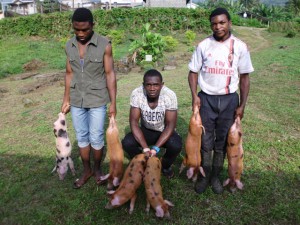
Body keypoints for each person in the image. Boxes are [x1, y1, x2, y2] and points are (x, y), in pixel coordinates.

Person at [188, 8, 254, 194]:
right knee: (205, 140)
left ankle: (216, 176)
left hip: (229, 100)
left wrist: (242, 105)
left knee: (223, 141)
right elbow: (193, 73)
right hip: (206, 99)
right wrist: (195, 96)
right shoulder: (203, 45)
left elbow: (245, 77)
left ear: (229, 23)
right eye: (214, 23)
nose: (218, 27)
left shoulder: (240, 46)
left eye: (222, 22)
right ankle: (204, 176)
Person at [61, 8, 117, 189]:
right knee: (82, 137)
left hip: (97, 99)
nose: (81, 33)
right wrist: (66, 98)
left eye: (85, 29)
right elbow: (69, 73)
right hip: (77, 99)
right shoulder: (69, 45)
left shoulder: (104, 44)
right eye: (76, 29)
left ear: (93, 25)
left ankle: (97, 169)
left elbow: (110, 74)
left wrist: (113, 102)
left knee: (97, 136)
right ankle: (87, 170)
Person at [122, 69, 182, 179]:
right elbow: (134, 122)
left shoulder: (170, 95)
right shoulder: (137, 94)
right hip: (146, 130)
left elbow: (170, 125)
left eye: (156, 85)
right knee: (127, 142)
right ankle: (142, 162)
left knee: (176, 145)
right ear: (143, 85)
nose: (152, 88)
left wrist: (155, 149)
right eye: (148, 85)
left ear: (162, 85)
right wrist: (145, 148)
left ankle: (164, 165)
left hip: (163, 130)